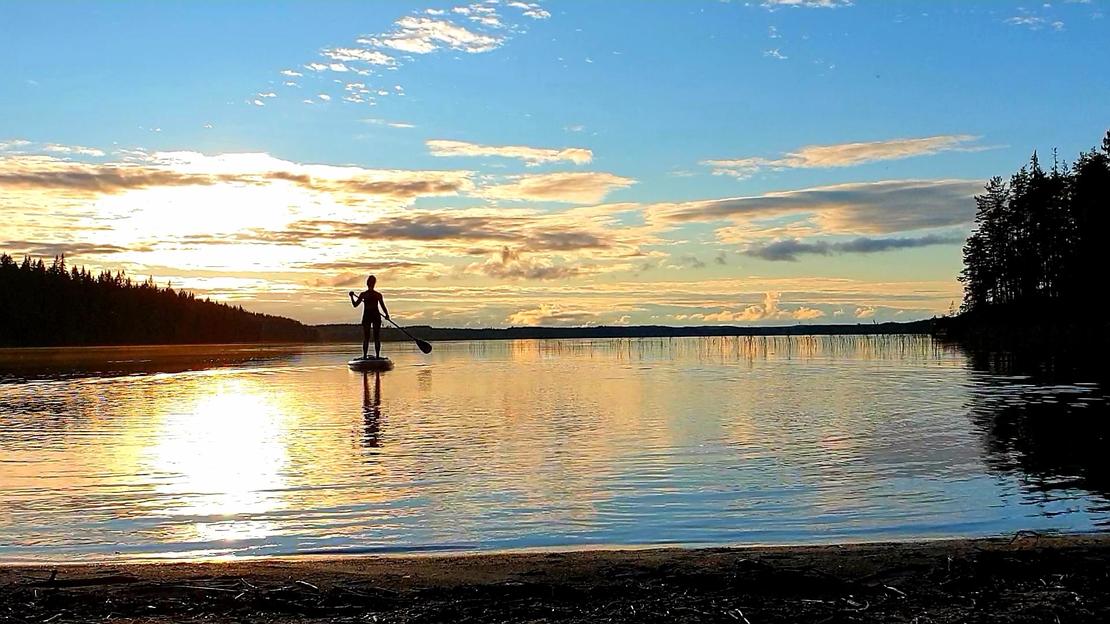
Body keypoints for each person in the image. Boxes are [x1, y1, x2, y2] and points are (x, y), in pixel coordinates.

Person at [349, 275, 389, 359]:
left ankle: (365, 356)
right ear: (374, 284)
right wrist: (386, 314)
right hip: (374, 316)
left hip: (369, 316)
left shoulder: (364, 294)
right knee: (376, 337)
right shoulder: (377, 295)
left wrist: (351, 297)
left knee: (366, 337)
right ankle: (377, 356)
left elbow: (355, 305)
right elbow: (383, 306)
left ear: (367, 284)